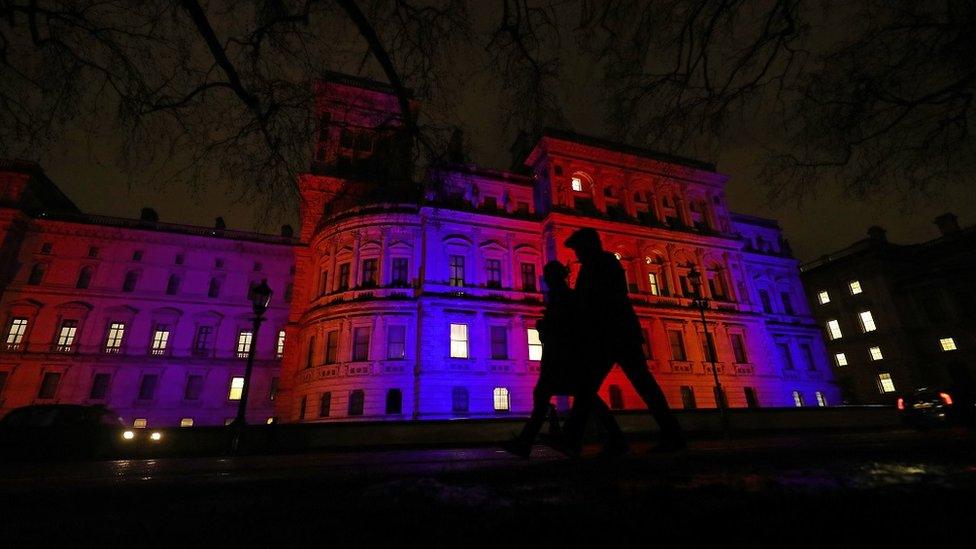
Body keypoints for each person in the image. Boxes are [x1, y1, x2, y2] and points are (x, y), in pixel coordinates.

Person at [561, 228, 685, 454]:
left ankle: (582, 438)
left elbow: (596, 300)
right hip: (618, 333)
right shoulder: (601, 264)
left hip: (610, 334)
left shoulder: (599, 265)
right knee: (640, 385)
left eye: (578, 248)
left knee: (590, 386)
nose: (577, 254)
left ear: (588, 246)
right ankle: (670, 434)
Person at [502, 260, 626, 458]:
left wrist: (546, 328)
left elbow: (565, 329)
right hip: (567, 359)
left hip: (562, 360)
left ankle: (527, 443)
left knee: (553, 396)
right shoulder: (565, 297)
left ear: (554, 278)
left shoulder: (562, 298)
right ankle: (614, 438)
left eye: (549, 277)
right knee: (586, 397)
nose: (547, 281)